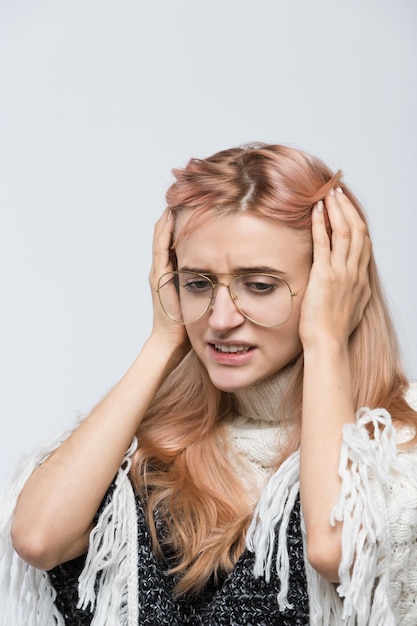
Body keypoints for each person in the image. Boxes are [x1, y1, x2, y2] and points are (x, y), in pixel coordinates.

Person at [1, 143, 416, 626]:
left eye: (259, 286)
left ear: (336, 288)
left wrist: (327, 340)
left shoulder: (395, 456)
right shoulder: (137, 449)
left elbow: (336, 552)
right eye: (197, 283)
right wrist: (163, 340)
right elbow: (38, 538)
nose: (220, 320)